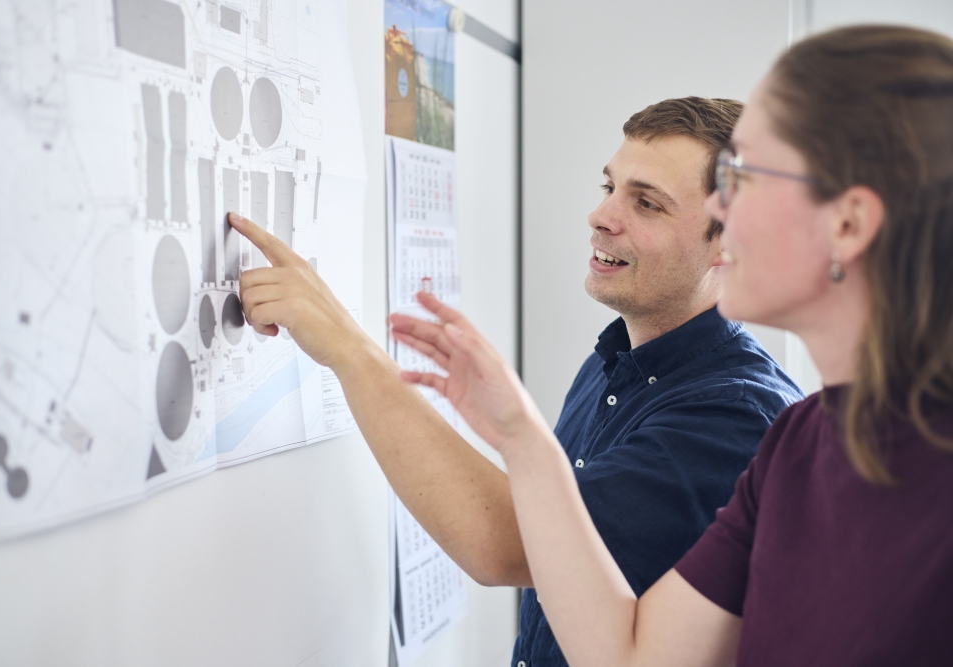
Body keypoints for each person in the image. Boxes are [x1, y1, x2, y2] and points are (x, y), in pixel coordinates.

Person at [390, 24, 953, 666]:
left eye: (744, 177)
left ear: (848, 224)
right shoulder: (799, 444)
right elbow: (635, 656)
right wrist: (518, 434)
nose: (721, 212)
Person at [228, 96, 802, 665]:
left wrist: (347, 349)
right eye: (610, 189)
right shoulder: (616, 360)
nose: (601, 216)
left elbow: (505, 543)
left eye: (647, 203)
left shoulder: (734, 419)